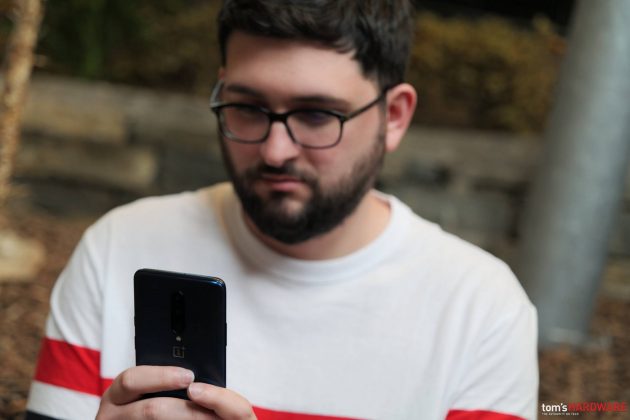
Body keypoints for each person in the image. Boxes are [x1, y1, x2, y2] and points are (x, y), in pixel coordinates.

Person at [26, 1, 538, 419]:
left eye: (316, 115)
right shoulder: (119, 247)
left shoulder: (480, 310)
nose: (275, 151)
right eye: (248, 107)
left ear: (395, 116)